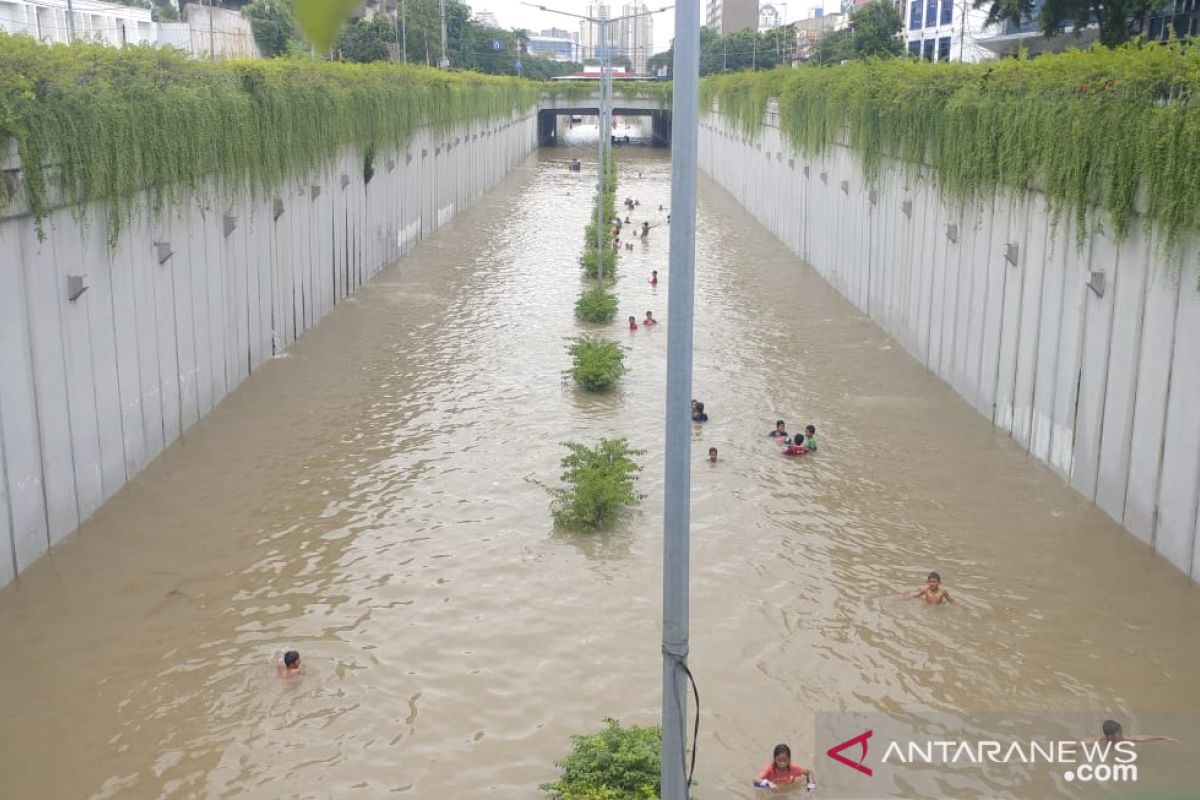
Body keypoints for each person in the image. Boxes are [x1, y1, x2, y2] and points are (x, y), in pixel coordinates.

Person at [1087, 721, 1179, 745]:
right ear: (1110, 736)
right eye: (1119, 733)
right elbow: (1080, 744)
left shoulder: (1122, 739)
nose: (1122, 734)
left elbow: (1141, 738)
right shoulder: (1100, 741)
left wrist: (1163, 737)